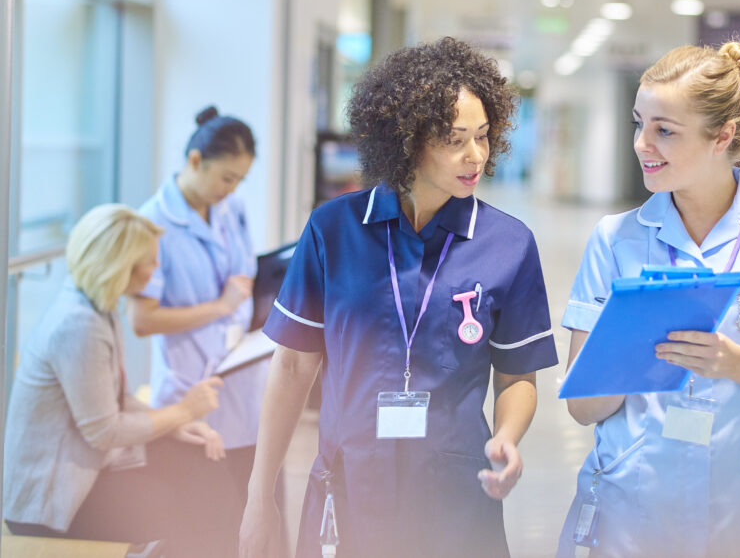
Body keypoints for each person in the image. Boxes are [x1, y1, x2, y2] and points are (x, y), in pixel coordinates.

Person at [239, 37, 559, 558]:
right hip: (349, 487)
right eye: (456, 140)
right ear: (407, 140)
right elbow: (294, 366)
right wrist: (259, 496)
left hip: (456, 493)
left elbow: (518, 374)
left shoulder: (508, 244)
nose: (475, 155)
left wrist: (506, 436)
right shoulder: (333, 230)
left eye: (482, 136)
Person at [558, 42, 740, 557]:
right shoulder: (615, 239)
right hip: (632, 507)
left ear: (723, 136)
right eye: (639, 123)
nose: (642, 144)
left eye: (664, 130)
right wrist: (627, 347)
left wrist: (734, 362)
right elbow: (583, 407)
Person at [3, 205, 242, 557]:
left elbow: (118, 398)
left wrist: (177, 425)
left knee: (208, 471)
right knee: (190, 504)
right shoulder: (79, 325)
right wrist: (183, 411)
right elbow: (105, 431)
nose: (157, 267)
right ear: (120, 266)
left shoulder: (98, 307)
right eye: (149, 260)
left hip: (84, 473)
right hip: (51, 504)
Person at [132, 106, 265, 498]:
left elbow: (243, 276)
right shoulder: (153, 222)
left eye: (240, 179)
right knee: (205, 521)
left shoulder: (232, 208)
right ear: (195, 161)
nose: (233, 189)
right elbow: (142, 319)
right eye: (227, 177)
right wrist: (219, 308)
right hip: (187, 390)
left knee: (249, 507)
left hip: (241, 377)